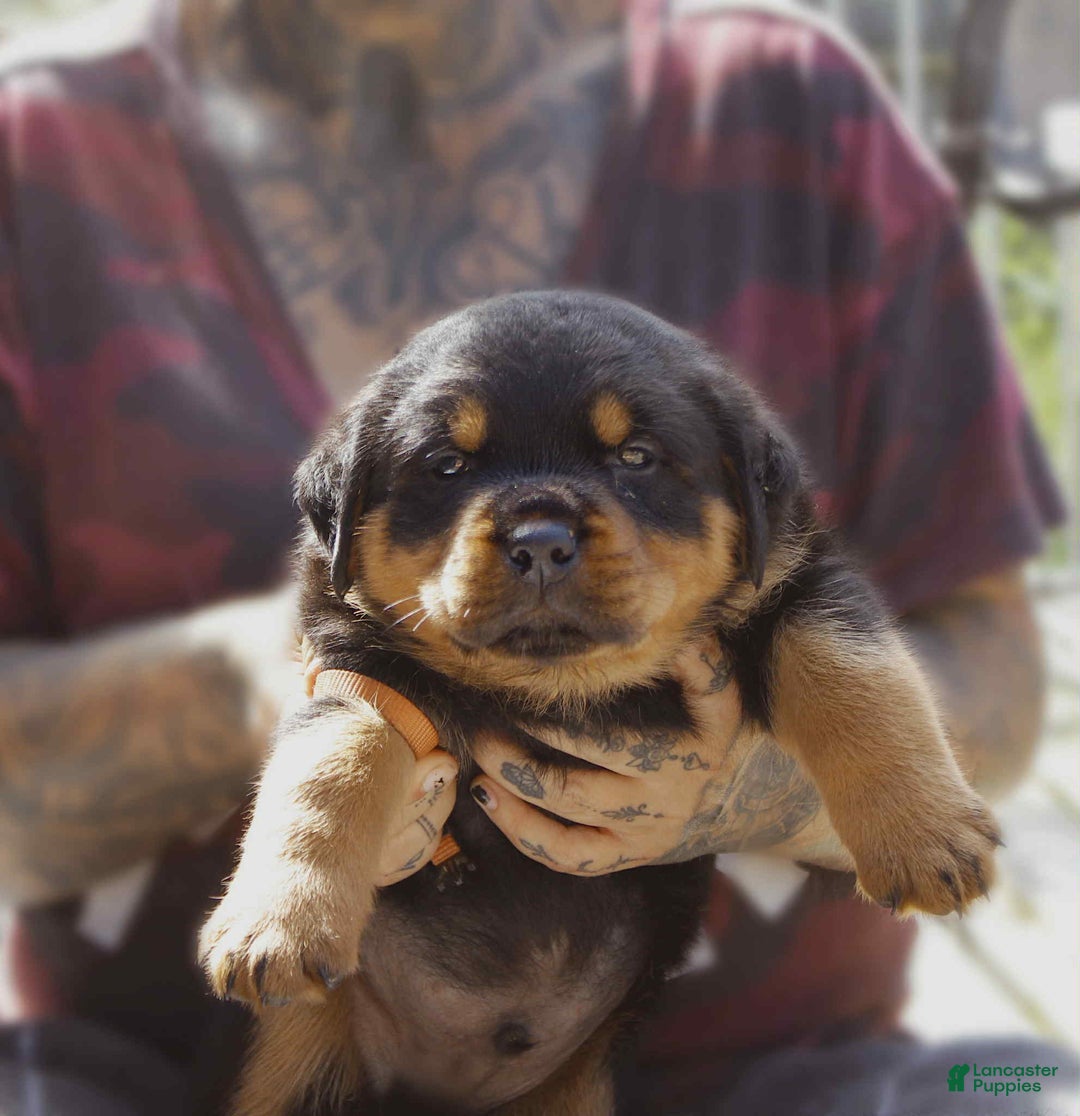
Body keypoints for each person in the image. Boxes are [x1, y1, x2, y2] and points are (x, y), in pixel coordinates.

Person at [0, 0, 1068, 1113]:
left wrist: (785, 793)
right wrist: (246, 693)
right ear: (347, 519)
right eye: (451, 473)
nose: (543, 537)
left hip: (747, 1071)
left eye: (638, 459)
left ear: (750, 503)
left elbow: (949, 646)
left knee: (1025, 1088)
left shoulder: (788, 104)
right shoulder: (37, 149)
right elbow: (332, 741)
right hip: (177, 1067)